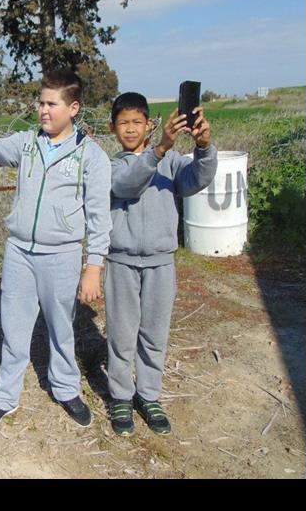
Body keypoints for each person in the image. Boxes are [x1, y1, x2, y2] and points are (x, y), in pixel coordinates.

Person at [0, 69, 112, 431]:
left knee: (61, 328)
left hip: (63, 255)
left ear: (73, 108)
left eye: (51, 104)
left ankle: (66, 389)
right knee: (14, 328)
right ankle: (4, 397)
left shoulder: (91, 157)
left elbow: (100, 217)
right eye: (40, 102)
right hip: (20, 251)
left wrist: (94, 265)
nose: (42, 110)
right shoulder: (26, 143)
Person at [105, 92, 217, 436]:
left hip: (161, 264)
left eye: (137, 122)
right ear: (112, 128)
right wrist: (159, 150)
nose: (130, 129)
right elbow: (126, 186)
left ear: (150, 125)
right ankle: (121, 397)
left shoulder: (172, 163)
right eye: (123, 122)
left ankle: (149, 395)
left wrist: (203, 147)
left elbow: (198, 179)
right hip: (120, 262)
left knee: (154, 334)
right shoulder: (111, 166)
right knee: (122, 336)